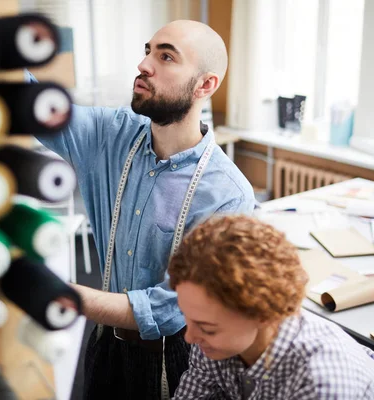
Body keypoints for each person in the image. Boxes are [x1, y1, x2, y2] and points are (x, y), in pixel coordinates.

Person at [32, 19, 255, 400]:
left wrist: (62, 295)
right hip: (104, 344)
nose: (144, 65)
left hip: (176, 361)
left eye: (166, 56)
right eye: (148, 51)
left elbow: (173, 307)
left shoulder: (227, 195)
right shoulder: (111, 135)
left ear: (205, 85)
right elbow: (32, 105)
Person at [168, 215, 374, 399]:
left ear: (263, 314)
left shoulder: (323, 383)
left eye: (206, 328)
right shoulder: (214, 337)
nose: (189, 337)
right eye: (187, 317)